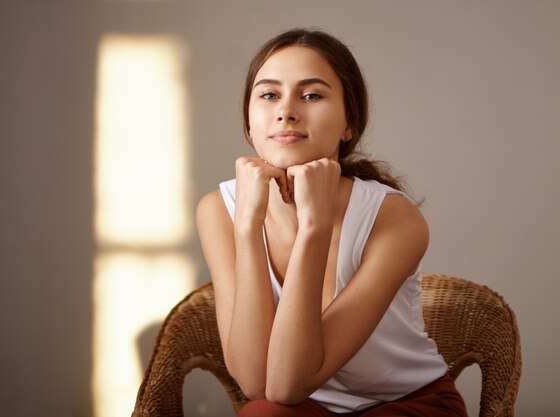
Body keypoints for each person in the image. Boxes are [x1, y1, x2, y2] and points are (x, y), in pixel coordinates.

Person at [196, 28, 468, 417]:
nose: (286, 110)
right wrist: (247, 224)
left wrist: (314, 228)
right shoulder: (218, 209)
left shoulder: (394, 219)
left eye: (311, 95)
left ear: (348, 124)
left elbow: (288, 383)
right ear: (249, 122)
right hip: (308, 408)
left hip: (406, 406)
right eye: (269, 94)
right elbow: (259, 385)